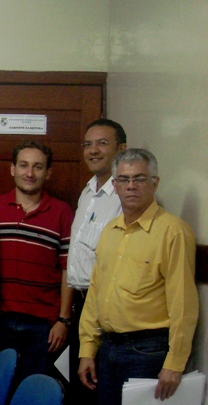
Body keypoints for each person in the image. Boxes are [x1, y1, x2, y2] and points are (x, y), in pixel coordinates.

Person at [78, 149, 197, 405]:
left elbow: (183, 304)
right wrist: (87, 349)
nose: (131, 186)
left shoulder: (173, 232)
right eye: (124, 179)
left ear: (154, 183)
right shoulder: (110, 231)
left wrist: (175, 363)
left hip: (147, 351)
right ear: (115, 185)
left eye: (139, 179)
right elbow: (95, 294)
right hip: (107, 349)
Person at [0, 141, 74, 386]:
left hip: (43, 325)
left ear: (48, 173)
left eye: (37, 167)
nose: (30, 173)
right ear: (12, 169)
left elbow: (69, 269)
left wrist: (63, 320)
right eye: (23, 165)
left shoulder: (61, 212)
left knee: (34, 391)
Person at [66, 119, 126, 404]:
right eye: (88, 144)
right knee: (81, 391)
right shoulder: (88, 192)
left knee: (99, 391)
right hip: (82, 309)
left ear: (121, 149)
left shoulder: (126, 196)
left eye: (102, 143)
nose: (93, 150)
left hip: (107, 311)